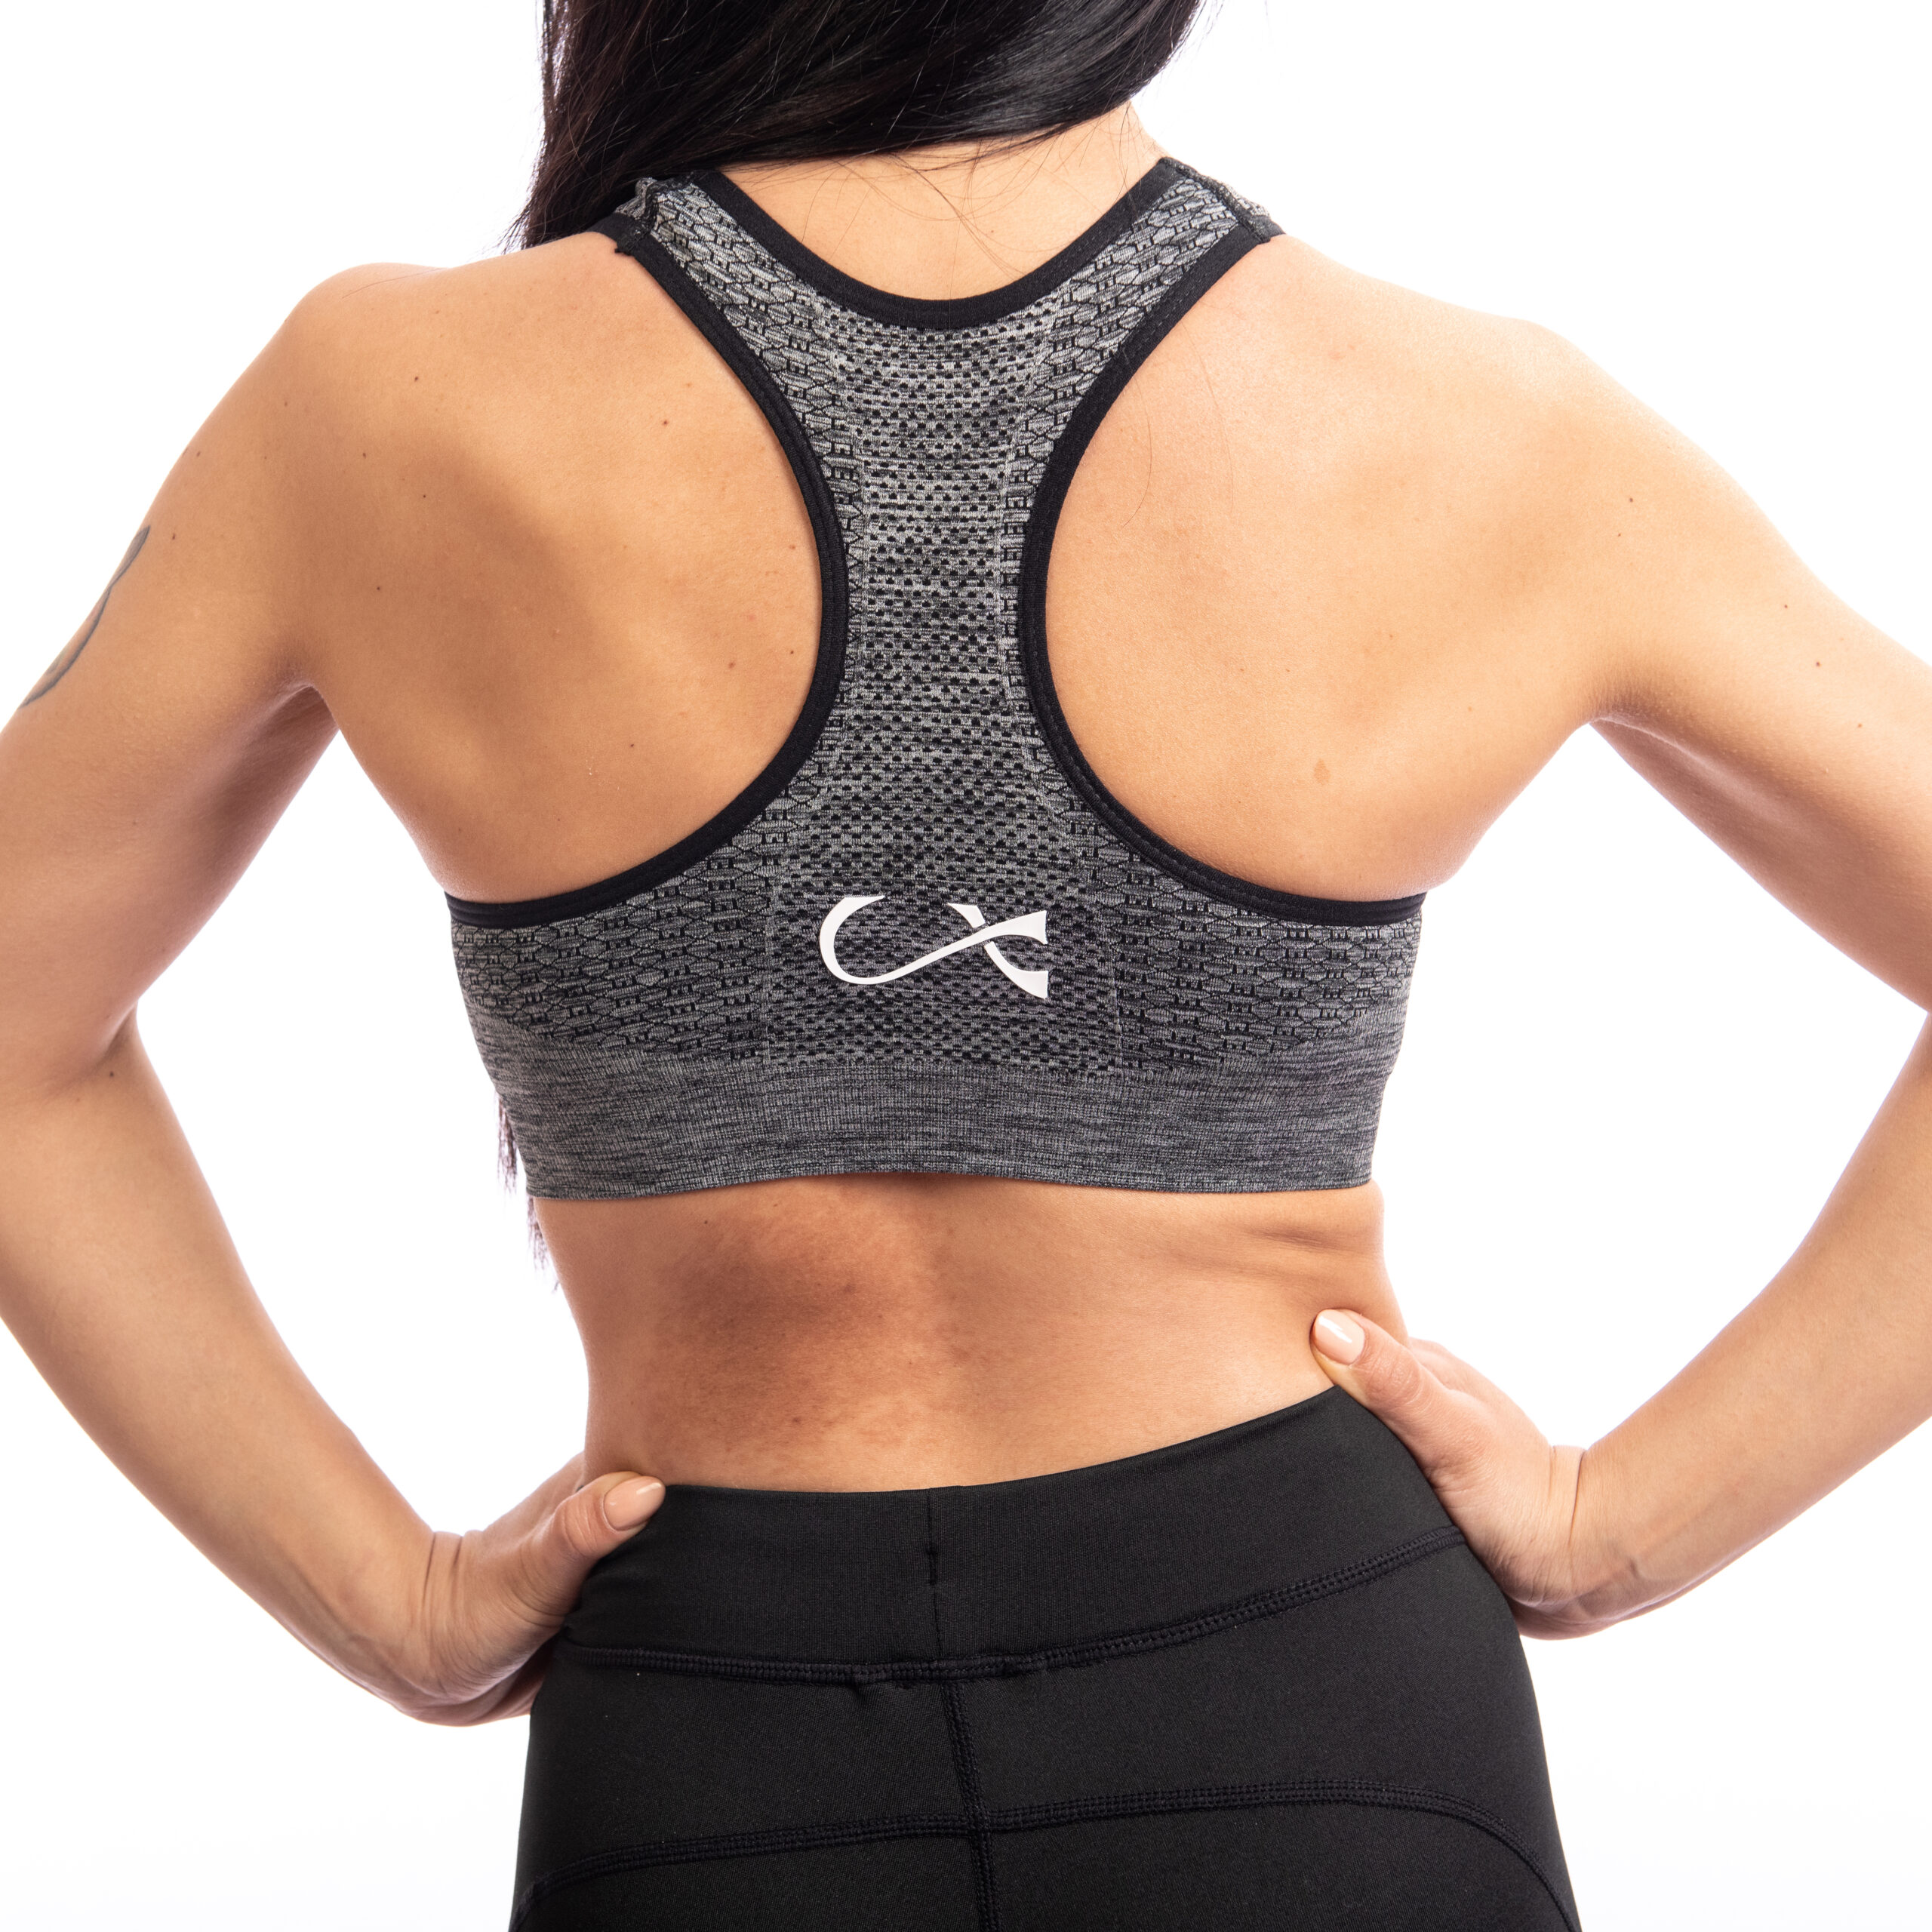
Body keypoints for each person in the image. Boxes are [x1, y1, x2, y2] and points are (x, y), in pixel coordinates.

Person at [2, 0, 1928, 1925]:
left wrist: (388, 1600)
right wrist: (1610, 1527)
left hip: (709, 1726)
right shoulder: (1471, 420)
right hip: (1316, 1696)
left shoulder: (378, 404)